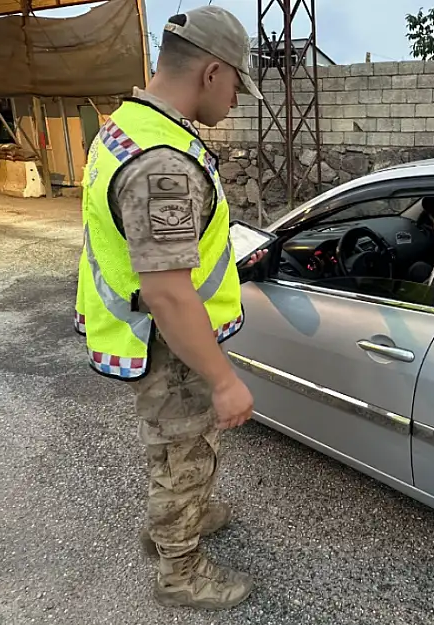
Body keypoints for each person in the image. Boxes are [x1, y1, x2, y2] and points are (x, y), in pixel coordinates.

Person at [73, 5, 266, 612]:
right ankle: (179, 568)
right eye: (237, 82)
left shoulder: (128, 127)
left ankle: (179, 519)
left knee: (174, 444)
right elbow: (167, 291)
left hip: (152, 329)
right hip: (169, 337)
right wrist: (223, 378)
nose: (236, 99)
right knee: (185, 449)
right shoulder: (164, 164)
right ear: (212, 72)